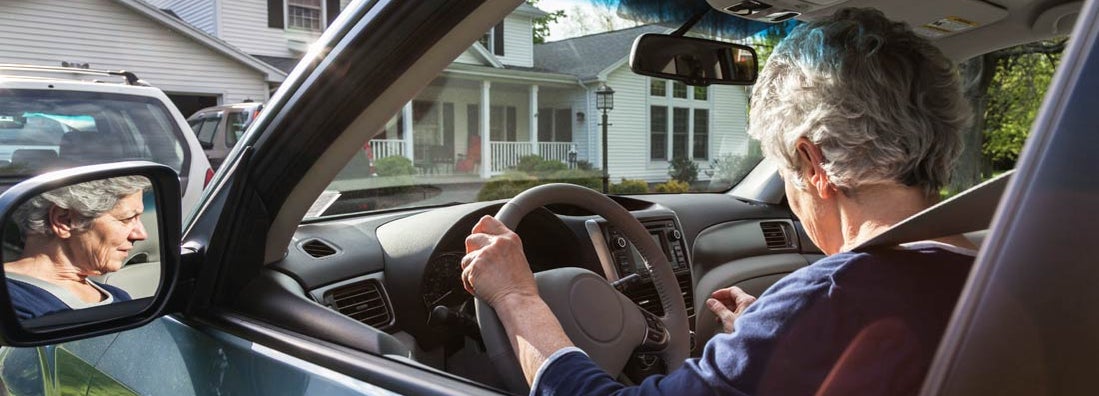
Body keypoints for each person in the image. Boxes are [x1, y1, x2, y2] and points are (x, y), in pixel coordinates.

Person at [461, 8, 976, 395]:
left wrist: (517, 298)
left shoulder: (831, 303)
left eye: (785, 171)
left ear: (812, 165)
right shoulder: (996, 264)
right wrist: (765, 341)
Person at [4, 176, 150, 319]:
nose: (141, 234)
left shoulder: (119, 296)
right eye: (127, 219)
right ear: (64, 220)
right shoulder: (12, 302)